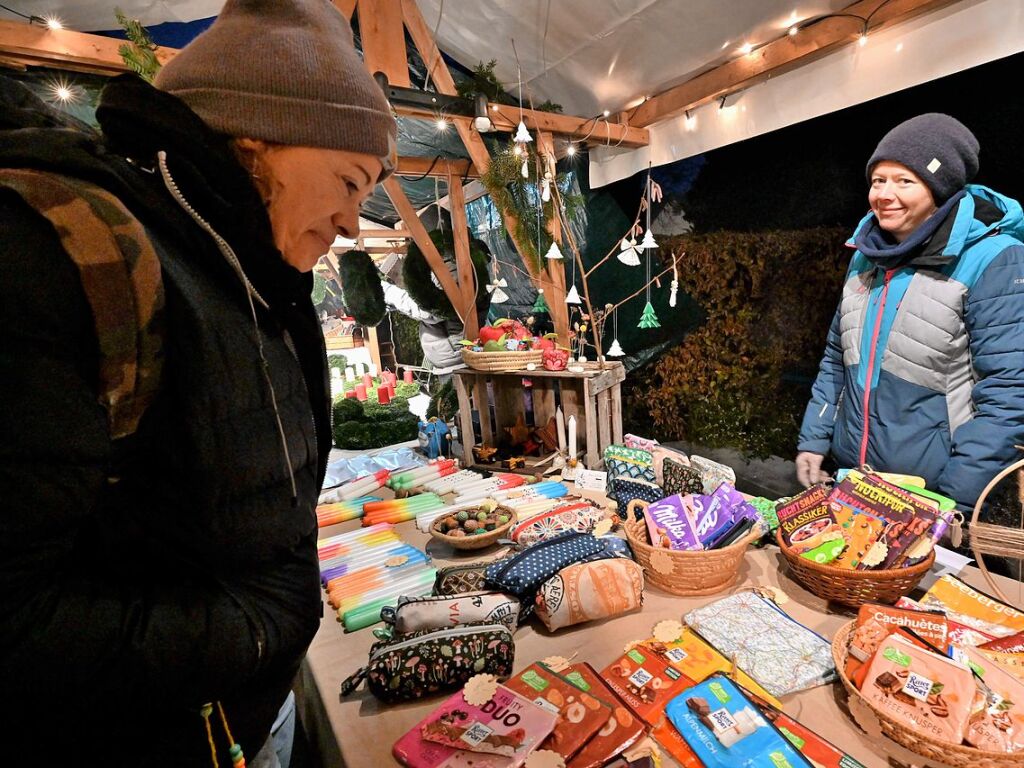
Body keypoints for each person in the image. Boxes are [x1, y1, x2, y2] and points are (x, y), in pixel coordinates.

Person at [0, 0, 395, 765]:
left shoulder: (250, 269)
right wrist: (249, 629)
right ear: (258, 136)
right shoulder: (67, 262)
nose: (352, 223)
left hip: (244, 719)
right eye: (349, 181)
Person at [797, 113, 1024, 512]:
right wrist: (814, 438)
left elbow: (1010, 391)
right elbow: (837, 359)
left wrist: (957, 496)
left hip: (935, 492)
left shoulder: (993, 259)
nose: (885, 193)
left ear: (940, 187)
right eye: (878, 180)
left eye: (905, 181)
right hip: (858, 481)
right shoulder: (865, 258)